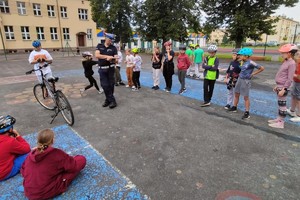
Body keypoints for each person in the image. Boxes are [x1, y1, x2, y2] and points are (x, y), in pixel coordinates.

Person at [21, 128, 86, 200]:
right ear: (53, 140)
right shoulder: (56, 154)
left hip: (29, 192)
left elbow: (23, 171)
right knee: (81, 160)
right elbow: (73, 166)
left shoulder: (31, 154)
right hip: (43, 192)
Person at [228, 48, 265, 119]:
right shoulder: (242, 61)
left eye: (241, 55)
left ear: (246, 56)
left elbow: (262, 68)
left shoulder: (251, 62)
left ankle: (247, 112)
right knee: (236, 93)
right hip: (239, 79)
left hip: (246, 80)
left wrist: (253, 74)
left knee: (246, 97)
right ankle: (234, 107)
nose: (240, 56)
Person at [0, 115, 30, 181]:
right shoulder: (10, 141)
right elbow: (27, 149)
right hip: (3, 174)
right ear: (10, 129)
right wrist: (18, 136)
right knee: (31, 154)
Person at [95, 33, 118, 109]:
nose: (110, 41)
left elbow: (116, 60)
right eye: (109, 39)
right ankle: (112, 101)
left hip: (110, 68)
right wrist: (107, 56)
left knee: (111, 85)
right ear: (105, 38)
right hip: (102, 69)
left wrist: (112, 59)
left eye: (111, 40)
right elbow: (97, 55)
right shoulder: (99, 46)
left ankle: (108, 100)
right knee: (104, 85)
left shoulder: (113, 48)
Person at [287, 51, 300, 122]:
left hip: (299, 83)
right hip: (296, 82)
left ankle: (299, 115)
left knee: (298, 98)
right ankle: (292, 110)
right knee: (294, 96)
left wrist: (292, 74)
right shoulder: (297, 63)